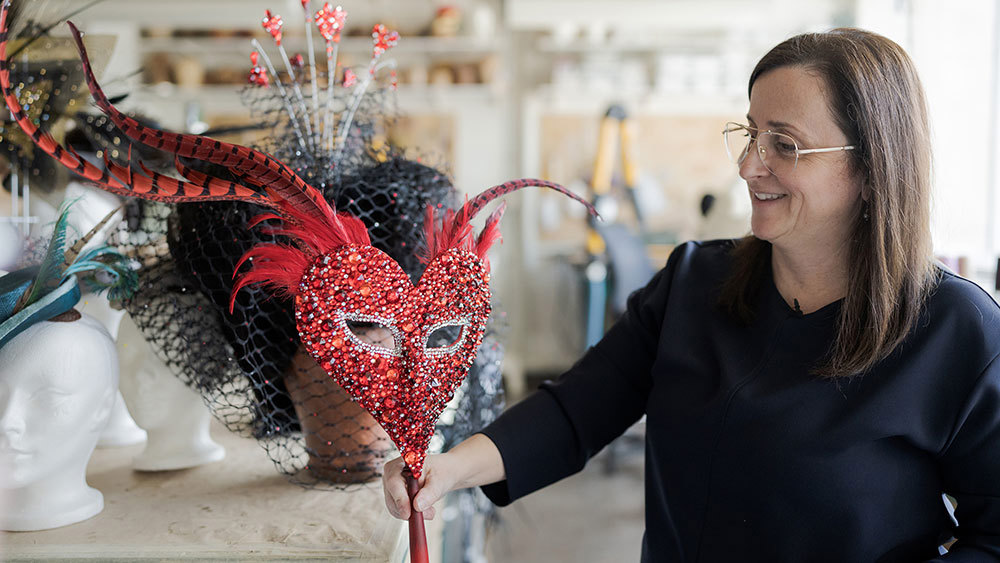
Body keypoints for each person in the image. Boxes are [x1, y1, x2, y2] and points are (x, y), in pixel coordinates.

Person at [383, 28, 1000, 561]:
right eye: (751, 133)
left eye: (784, 144)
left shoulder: (956, 331)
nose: (749, 167)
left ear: (872, 168)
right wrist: (449, 470)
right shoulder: (694, 282)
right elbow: (577, 410)